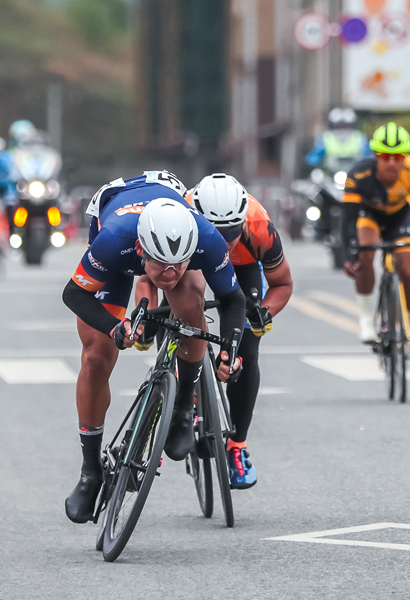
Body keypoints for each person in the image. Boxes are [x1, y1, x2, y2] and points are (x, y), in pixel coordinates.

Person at [60, 171, 246, 524]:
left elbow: (232, 299)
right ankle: (89, 471)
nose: (169, 273)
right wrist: (115, 327)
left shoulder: (205, 238)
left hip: (170, 218)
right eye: (160, 264)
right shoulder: (114, 241)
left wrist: (229, 351)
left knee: (191, 309)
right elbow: (74, 293)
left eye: (178, 264)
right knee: (97, 356)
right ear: (143, 250)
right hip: (116, 216)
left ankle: (181, 411)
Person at [139, 174, 294, 489]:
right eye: (215, 231)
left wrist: (264, 312)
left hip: (242, 267)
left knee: (247, 350)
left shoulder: (259, 226)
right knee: (177, 319)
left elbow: (282, 285)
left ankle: (237, 444)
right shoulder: (178, 215)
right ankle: (168, 410)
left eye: (231, 232)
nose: (223, 241)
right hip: (190, 258)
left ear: (242, 222)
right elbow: (147, 276)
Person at [340, 122, 410, 360]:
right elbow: (347, 221)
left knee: (408, 271)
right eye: (386, 156)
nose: (392, 162)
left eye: (398, 157)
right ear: (376, 155)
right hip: (370, 216)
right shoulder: (358, 174)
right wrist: (351, 255)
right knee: (366, 255)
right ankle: (367, 320)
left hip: (401, 216)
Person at [305, 107, 371, 173]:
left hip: (355, 175)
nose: (342, 130)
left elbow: (368, 155)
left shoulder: (359, 138)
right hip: (330, 175)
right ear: (332, 125)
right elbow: (316, 154)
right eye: (338, 126)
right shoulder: (325, 138)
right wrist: (312, 161)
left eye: (345, 126)